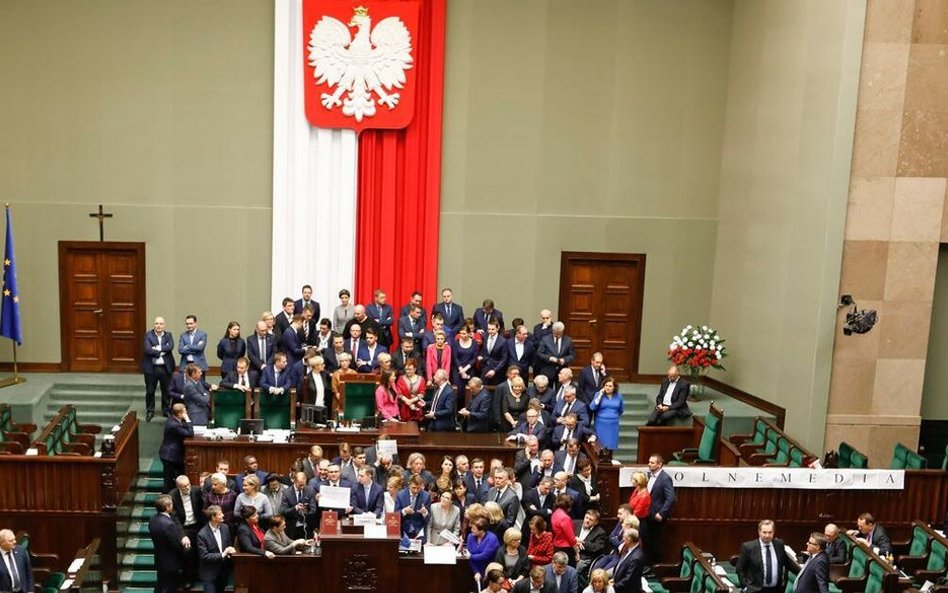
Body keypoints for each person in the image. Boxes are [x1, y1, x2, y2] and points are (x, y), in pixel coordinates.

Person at [150, 495, 190, 592]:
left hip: (160, 559)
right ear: (167, 507)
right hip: (170, 562)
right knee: (168, 588)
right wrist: (185, 551)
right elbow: (175, 544)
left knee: (161, 585)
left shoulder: (153, 519)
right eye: (171, 504)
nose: (173, 506)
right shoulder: (169, 524)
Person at [736, 520, 787, 593]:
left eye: (770, 532)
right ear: (759, 532)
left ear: (774, 532)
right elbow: (740, 568)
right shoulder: (748, 547)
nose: (767, 535)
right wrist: (746, 586)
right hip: (755, 590)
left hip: (775, 590)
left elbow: (788, 563)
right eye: (764, 532)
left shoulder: (779, 545)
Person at [642, 454, 675, 564]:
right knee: (646, 541)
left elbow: (671, 498)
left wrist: (661, 513)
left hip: (656, 516)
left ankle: (656, 566)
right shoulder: (650, 475)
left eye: (652, 462)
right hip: (647, 514)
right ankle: (648, 565)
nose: (649, 464)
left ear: (660, 464)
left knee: (655, 542)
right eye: (649, 462)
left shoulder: (665, 478)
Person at [142, 316, 176, 422]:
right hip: (151, 369)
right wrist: (162, 350)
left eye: (161, 324)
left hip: (165, 368)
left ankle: (166, 410)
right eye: (157, 323)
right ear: (154, 325)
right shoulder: (148, 335)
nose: (159, 326)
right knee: (150, 391)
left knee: (166, 390)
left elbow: (170, 346)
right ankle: (150, 410)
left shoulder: (168, 335)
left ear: (164, 325)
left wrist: (156, 348)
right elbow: (148, 349)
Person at [196, 505, 235, 593]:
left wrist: (229, 551)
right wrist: (223, 554)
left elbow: (228, 544)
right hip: (209, 574)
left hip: (222, 572)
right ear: (213, 517)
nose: (223, 515)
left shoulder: (225, 528)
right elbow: (204, 556)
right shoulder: (202, 534)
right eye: (220, 514)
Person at [159, 403, 193, 492]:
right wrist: (188, 420)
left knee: (177, 475)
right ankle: (164, 498)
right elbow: (189, 433)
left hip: (172, 454)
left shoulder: (173, 419)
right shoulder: (173, 425)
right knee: (168, 480)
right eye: (185, 411)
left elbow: (184, 427)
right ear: (179, 414)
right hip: (170, 455)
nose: (187, 413)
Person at [587, 377, 623, 450]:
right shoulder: (598, 394)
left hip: (613, 424)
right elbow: (592, 407)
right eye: (606, 385)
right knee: (600, 445)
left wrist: (613, 416)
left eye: (610, 386)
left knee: (611, 445)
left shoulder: (619, 396)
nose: (607, 388)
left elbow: (621, 410)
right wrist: (600, 395)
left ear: (614, 387)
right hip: (601, 423)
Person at [280, 472, 317, 539]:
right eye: (300, 485)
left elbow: (313, 509)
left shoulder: (310, 490)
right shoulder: (286, 493)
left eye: (304, 485)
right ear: (294, 481)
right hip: (292, 527)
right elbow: (282, 511)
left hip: (306, 526)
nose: (302, 487)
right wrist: (295, 508)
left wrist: (306, 509)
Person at [396, 475, 431, 543]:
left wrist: (425, 513)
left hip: (419, 533)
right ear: (409, 484)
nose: (416, 490)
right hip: (403, 531)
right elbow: (395, 514)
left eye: (418, 488)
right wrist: (404, 511)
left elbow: (428, 519)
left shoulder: (426, 496)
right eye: (413, 488)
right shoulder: (400, 495)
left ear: (421, 486)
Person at [0, 528, 32, 593]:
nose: (15, 542)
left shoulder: (21, 551)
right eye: (11, 541)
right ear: (2, 543)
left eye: (14, 539)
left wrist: (30, 591)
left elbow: (29, 573)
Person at [612, 529, 644, 593]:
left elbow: (629, 579)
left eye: (624, 537)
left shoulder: (636, 558)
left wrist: (614, 586)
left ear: (629, 540)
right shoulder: (628, 549)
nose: (623, 539)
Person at [551, 494, 579, 566]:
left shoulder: (555, 513)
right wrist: (577, 551)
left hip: (556, 545)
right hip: (566, 549)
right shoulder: (565, 518)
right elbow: (571, 538)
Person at [452, 325, 480, 393]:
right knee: (457, 390)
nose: (462, 335)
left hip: (469, 368)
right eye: (460, 333)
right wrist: (461, 370)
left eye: (464, 333)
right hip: (458, 368)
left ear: (468, 333)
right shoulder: (456, 342)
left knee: (470, 390)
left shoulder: (474, 343)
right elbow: (455, 357)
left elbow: (474, 358)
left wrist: (465, 369)